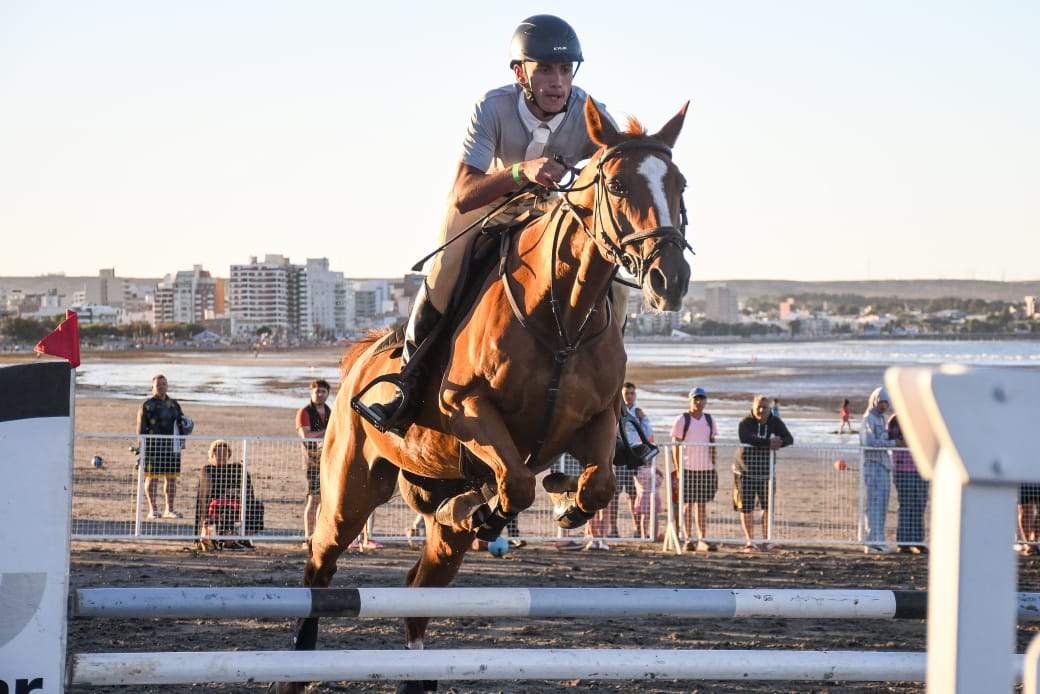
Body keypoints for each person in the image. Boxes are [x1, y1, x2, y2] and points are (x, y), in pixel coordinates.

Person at [362, 14, 612, 435]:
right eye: (545, 70)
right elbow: (463, 191)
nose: (557, 82)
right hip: (483, 205)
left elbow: (619, 159)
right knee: (443, 274)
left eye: (565, 70)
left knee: (609, 282)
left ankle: (612, 411)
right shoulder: (493, 106)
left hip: (546, 213)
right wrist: (521, 172)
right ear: (520, 74)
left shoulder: (590, 113)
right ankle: (406, 385)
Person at [733, 394, 794, 551]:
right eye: (758, 407)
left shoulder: (775, 422)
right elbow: (744, 437)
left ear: (769, 409)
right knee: (746, 508)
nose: (761, 410)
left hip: (766, 472)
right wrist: (768, 443)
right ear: (753, 408)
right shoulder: (746, 422)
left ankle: (768, 540)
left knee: (767, 507)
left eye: (765, 407)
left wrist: (778, 443)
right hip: (745, 470)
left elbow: (789, 439)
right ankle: (749, 541)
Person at [670, 387, 719, 552]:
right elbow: (675, 446)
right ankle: (687, 537)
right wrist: (678, 468)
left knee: (702, 505)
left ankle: (702, 538)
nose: (698, 402)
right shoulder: (682, 419)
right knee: (686, 505)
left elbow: (713, 444)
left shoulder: (709, 420)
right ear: (690, 400)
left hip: (705, 468)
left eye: (701, 399)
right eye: (695, 399)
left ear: (705, 401)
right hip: (687, 468)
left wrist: (713, 465)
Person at [137, 374, 192, 519]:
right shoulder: (147, 405)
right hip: (153, 447)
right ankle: (153, 509)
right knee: (152, 478)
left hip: (172, 448)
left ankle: (170, 509)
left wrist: (187, 428)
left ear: (167, 386)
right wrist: (142, 447)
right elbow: (141, 430)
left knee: (171, 479)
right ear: (153, 387)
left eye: (163, 384)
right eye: (158, 384)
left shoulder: (174, 404)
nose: (161, 386)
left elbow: (181, 422)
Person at [193, 440, 262, 551]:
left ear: (228, 455)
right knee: (227, 508)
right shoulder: (207, 470)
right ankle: (226, 541)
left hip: (234, 502)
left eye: (224, 453)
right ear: (212, 455)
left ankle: (245, 537)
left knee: (257, 506)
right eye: (218, 453)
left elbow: (246, 487)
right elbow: (207, 493)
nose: (221, 456)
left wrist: (235, 497)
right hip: (217, 505)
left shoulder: (236, 469)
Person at [609, 382, 653, 538]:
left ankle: (637, 528)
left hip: (634, 459)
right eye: (626, 393)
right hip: (619, 458)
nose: (629, 396)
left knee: (634, 495)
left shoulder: (638, 413)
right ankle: (613, 529)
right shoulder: (616, 411)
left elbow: (647, 435)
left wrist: (644, 419)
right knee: (614, 496)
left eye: (632, 393)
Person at [860, 386, 896, 553]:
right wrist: (892, 444)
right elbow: (869, 442)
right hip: (872, 465)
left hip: (883, 465)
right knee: (874, 503)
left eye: (886, 403)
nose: (883, 406)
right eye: (881, 402)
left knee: (882, 504)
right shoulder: (869, 419)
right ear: (875, 401)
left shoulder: (882, 419)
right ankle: (871, 541)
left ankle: (879, 538)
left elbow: (881, 438)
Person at [887, 415, 928, 554]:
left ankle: (917, 541)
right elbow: (891, 438)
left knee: (920, 504)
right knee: (906, 504)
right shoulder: (895, 421)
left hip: (922, 468)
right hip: (902, 469)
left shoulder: (925, 417)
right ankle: (903, 542)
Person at [297, 378, 331, 540]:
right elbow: (305, 435)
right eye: (317, 391)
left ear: (328, 394)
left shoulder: (331, 412)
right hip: (312, 461)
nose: (320, 394)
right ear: (311, 393)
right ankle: (308, 536)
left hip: (330, 461)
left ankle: (319, 536)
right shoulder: (305, 412)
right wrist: (327, 431)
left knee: (326, 501)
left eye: (323, 391)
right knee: (313, 499)